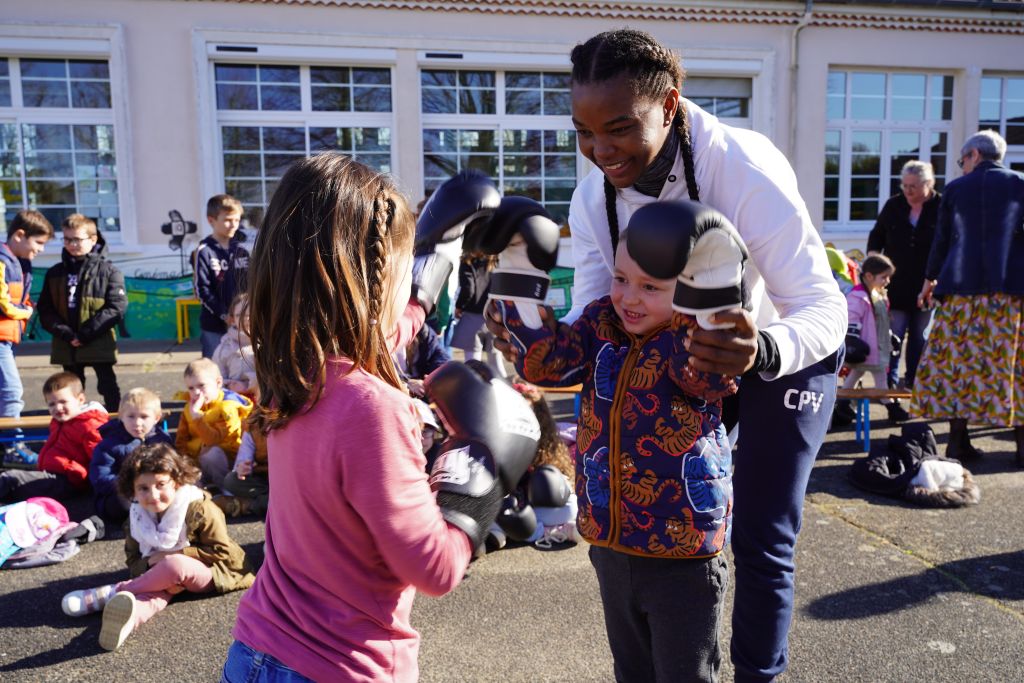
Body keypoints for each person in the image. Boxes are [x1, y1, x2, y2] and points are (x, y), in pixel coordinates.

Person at [485, 29, 846, 682]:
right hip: (688, 359)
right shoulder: (595, 198)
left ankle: (759, 674)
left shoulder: (742, 169)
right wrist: (520, 307)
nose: (601, 151)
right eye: (585, 132)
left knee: (761, 531)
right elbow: (598, 330)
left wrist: (762, 348)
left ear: (671, 102)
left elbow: (824, 307)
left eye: (619, 127)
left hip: (785, 342)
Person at [222, 155, 536, 682]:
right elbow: (433, 567)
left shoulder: (292, 372)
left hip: (255, 651)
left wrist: (429, 274)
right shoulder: (372, 407)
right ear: (372, 283)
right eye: (401, 266)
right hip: (342, 666)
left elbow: (382, 335)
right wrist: (481, 468)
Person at [498, 208, 739, 679]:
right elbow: (548, 365)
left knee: (684, 675)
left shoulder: (688, 340)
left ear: (690, 289)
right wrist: (519, 280)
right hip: (611, 541)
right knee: (631, 671)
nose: (629, 297)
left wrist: (715, 299)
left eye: (651, 287)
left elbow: (709, 377)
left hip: (681, 554)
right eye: (621, 278)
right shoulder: (601, 322)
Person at [60, 443, 255, 651]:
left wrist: (174, 555)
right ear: (132, 490)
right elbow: (134, 562)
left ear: (177, 483)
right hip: (162, 576)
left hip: (215, 571)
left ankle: (113, 592)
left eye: (161, 484)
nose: (153, 495)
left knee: (174, 565)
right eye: (143, 488)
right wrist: (153, 562)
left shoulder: (200, 507)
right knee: (154, 596)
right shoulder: (136, 517)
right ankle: (128, 622)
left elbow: (223, 552)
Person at [915, 130, 1024, 466]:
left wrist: (929, 280)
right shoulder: (1020, 184)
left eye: (962, 160)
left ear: (975, 154)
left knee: (958, 365)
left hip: (961, 292)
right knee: (1016, 365)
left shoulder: (957, 189)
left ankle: (958, 442)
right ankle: (1022, 448)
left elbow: (943, 239)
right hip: (1012, 294)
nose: (961, 167)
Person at [36, 214, 127, 413]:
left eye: (77, 239)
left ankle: (116, 425)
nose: (71, 244)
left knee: (108, 386)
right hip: (67, 343)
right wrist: (67, 334)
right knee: (70, 389)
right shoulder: (55, 272)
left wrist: (85, 334)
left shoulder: (109, 271)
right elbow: (45, 309)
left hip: (98, 341)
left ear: (93, 240)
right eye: (67, 239)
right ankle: (73, 426)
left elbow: (116, 306)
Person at [867, 160, 941, 390]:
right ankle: (890, 382)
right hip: (895, 284)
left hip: (927, 284)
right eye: (905, 185)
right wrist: (872, 266)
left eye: (914, 186)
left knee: (920, 336)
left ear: (929, 184)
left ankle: (913, 381)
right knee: (893, 335)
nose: (908, 191)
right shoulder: (894, 205)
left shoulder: (942, 206)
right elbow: (877, 236)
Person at [0, 372, 107, 503]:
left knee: (10, 479)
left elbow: (102, 458)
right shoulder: (61, 421)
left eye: (63, 402)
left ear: (80, 400)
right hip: (55, 474)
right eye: (52, 404)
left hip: (68, 481)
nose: (58, 408)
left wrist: (99, 491)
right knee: (11, 484)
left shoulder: (89, 425)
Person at [0, 209, 53, 466]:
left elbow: (23, 297)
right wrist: (25, 312)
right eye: (39, 242)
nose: (41, 249)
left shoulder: (22, 263)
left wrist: (24, 309)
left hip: (7, 338)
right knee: (12, 391)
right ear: (20, 235)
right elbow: (4, 303)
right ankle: (13, 446)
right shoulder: (2, 261)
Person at [839, 254, 910, 422]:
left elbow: (882, 322)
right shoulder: (858, 297)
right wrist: (853, 339)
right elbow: (852, 318)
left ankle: (843, 405)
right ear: (869, 276)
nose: (887, 281)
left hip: (875, 347)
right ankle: (891, 407)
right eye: (884, 277)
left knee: (856, 374)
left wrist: (890, 337)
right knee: (880, 380)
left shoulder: (877, 296)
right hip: (868, 348)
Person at [90, 387, 174, 524]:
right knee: (123, 503)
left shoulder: (162, 440)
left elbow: (173, 466)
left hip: (155, 490)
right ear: (121, 416)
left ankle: (157, 515)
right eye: (131, 416)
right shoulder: (110, 444)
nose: (137, 423)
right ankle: (137, 519)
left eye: (144, 416)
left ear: (156, 418)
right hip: (124, 492)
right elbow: (100, 477)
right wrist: (129, 484)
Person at [175, 358, 252, 490]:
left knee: (211, 454)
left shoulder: (228, 407)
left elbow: (212, 440)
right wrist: (184, 464)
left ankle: (226, 491)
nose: (196, 392)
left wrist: (197, 418)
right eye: (191, 388)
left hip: (227, 462)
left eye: (201, 386)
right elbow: (181, 440)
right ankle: (203, 489)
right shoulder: (190, 408)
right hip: (198, 460)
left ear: (218, 383)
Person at [194, 194, 250, 359]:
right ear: (211, 220)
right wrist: (225, 314)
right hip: (215, 327)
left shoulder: (243, 249)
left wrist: (246, 313)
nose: (233, 225)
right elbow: (202, 290)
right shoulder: (204, 251)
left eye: (237, 220)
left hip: (244, 324)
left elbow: (252, 284)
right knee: (213, 371)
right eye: (227, 220)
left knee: (244, 370)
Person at [449, 254, 507, 378]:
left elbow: (468, 289)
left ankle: (473, 395)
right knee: (496, 363)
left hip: (473, 318)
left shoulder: (468, 262)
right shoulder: (498, 261)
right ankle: (511, 392)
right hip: (495, 317)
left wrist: (459, 306)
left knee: (473, 366)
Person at [213, 421, 268, 519]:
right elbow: (242, 461)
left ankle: (247, 505)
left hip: (287, 482)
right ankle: (266, 500)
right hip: (263, 480)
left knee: (276, 500)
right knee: (230, 480)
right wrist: (242, 468)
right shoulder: (253, 427)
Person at [211, 293, 256, 396]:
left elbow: (274, 378)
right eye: (239, 315)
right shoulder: (224, 348)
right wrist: (229, 385)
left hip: (265, 405)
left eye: (250, 314)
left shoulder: (268, 346)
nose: (246, 319)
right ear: (232, 320)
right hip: (234, 403)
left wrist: (248, 384)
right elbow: (216, 379)